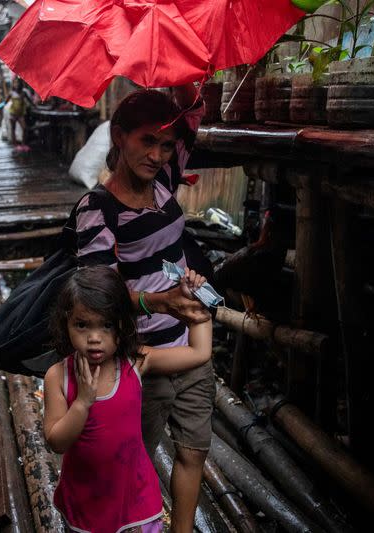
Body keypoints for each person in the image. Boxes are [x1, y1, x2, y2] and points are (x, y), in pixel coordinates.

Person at [72, 85, 212, 532]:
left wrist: (189, 84)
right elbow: (100, 297)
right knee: (132, 462)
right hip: (140, 359)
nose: (157, 155)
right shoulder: (97, 210)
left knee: (193, 451)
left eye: (165, 145)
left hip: (189, 340)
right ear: (118, 136)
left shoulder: (166, 182)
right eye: (146, 141)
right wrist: (156, 301)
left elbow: (191, 120)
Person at [44, 266, 213, 533]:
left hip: (136, 497)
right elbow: (56, 441)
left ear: (123, 324)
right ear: (66, 323)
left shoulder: (134, 363)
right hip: (86, 501)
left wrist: (199, 308)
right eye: (82, 325)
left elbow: (198, 352)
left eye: (106, 325)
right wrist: (83, 402)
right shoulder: (58, 376)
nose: (94, 338)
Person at [5, 77, 30, 150]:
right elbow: (5, 102)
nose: (17, 84)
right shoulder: (11, 93)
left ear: (20, 84)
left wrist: (36, 107)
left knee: (25, 128)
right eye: (15, 83)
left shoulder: (23, 93)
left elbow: (30, 102)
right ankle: (15, 145)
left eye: (18, 83)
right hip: (13, 114)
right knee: (13, 129)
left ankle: (23, 144)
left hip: (21, 114)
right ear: (13, 84)